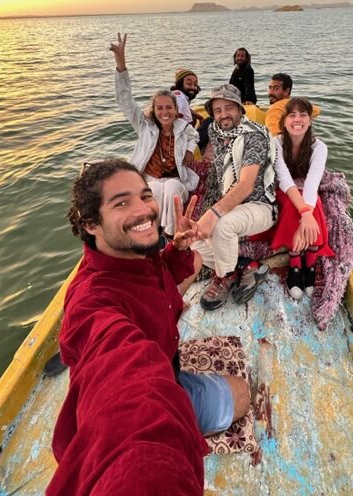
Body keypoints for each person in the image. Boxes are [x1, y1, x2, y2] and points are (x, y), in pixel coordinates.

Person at [46, 159, 250, 496]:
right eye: (122, 203)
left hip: (168, 364)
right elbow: (126, 385)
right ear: (92, 224)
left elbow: (164, 275)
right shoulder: (92, 302)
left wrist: (178, 249)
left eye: (145, 196)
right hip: (155, 385)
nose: (144, 210)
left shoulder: (136, 253)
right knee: (241, 394)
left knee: (196, 259)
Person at [192, 84, 276, 310]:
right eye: (217, 110)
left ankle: (226, 276)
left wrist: (214, 212)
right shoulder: (215, 131)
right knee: (194, 246)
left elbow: (246, 184)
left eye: (229, 108)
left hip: (259, 205)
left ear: (240, 109)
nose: (223, 114)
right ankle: (248, 266)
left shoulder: (254, 136)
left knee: (222, 226)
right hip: (231, 204)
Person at [110, 33, 199, 236]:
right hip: (150, 177)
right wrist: (121, 63)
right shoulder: (145, 126)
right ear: (154, 109)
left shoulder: (183, 127)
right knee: (156, 190)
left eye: (169, 108)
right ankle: (154, 232)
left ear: (176, 110)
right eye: (160, 108)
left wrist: (189, 149)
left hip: (176, 177)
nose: (164, 112)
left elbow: (195, 137)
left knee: (172, 191)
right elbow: (125, 100)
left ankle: (169, 235)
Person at [269, 98, 334, 299]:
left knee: (315, 205)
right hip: (284, 189)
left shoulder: (319, 147)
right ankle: (295, 263)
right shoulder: (276, 143)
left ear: (310, 120)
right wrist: (304, 213)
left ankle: (311, 263)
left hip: (307, 188)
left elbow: (313, 182)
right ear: (284, 121)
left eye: (303, 115)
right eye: (292, 115)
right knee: (291, 205)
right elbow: (284, 180)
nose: (298, 120)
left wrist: (307, 212)